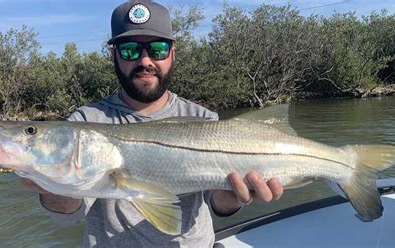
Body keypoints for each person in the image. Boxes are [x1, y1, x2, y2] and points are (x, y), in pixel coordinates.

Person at [22, 0, 284, 247]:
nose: (144, 60)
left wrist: (236, 195)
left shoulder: (203, 119)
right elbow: (69, 212)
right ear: (114, 56)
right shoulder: (87, 121)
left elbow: (218, 202)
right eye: (130, 50)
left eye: (157, 49)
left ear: (172, 54)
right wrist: (49, 184)